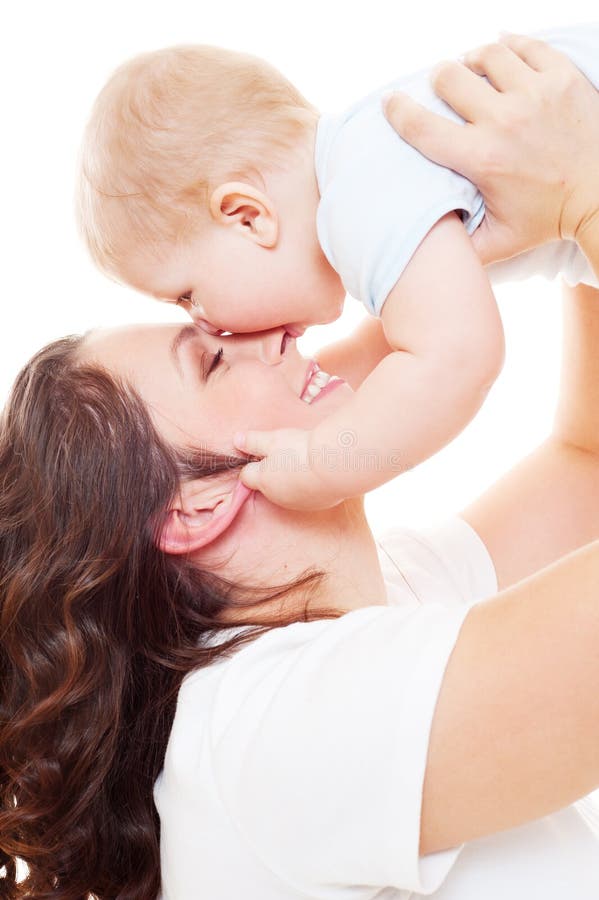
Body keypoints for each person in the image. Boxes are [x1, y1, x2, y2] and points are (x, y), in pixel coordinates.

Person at [1, 33, 599, 900]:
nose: (264, 333)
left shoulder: (378, 603)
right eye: (211, 358)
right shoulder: (264, 730)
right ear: (196, 507)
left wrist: (557, 229)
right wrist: (588, 194)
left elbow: (587, 461)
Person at [76, 26, 599, 514]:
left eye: (187, 295)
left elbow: (458, 359)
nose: (206, 324)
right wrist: (295, 397)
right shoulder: (366, 162)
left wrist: (323, 465)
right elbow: (387, 349)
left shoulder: (358, 199)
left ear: (247, 216)